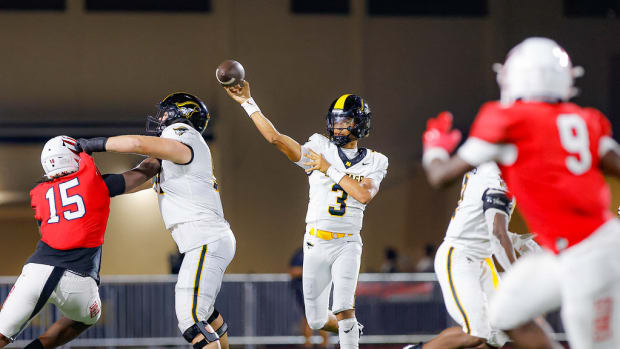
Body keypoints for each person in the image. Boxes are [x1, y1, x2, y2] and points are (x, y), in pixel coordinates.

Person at [421, 37, 620, 349]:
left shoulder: (508, 119)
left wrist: (433, 148)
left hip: (589, 254)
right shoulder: (586, 119)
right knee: (505, 314)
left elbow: (439, 176)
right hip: (576, 250)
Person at [223, 82, 389, 349]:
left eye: (345, 121)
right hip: (315, 243)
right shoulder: (319, 146)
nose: (338, 127)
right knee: (315, 321)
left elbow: (363, 195)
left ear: (360, 123)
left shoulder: (376, 160)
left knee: (344, 308)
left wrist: (328, 169)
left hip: (347, 242)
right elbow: (276, 139)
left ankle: (349, 331)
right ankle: (351, 331)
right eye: (335, 121)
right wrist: (247, 102)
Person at [78, 92, 235, 349]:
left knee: (191, 321)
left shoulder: (185, 135)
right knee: (204, 315)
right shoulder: (173, 158)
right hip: (205, 239)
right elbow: (134, 178)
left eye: (165, 111)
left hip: (205, 238)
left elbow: (139, 144)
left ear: (181, 115)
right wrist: (88, 185)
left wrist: (94, 143)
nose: (160, 117)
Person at [0, 135, 159, 349]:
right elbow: (145, 171)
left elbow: (47, 229)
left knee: (2, 335)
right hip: (78, 279)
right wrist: (166, 152)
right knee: (88, 317)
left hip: (37, 271)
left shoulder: (39, 193)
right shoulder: (96, 184)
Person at [434, 162, 515, 348]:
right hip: (460, 255)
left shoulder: (495, 169)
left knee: (501, 333)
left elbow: (494, 227)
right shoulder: (496, 174)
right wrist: (517, 274)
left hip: (482, 259)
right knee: (477, 333)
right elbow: (498, 233)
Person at [289, 247, 329, 348]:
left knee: (323, 317)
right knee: (307, 317)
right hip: (304, 291)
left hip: (320, 289)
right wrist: (309, 270)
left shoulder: (321, 253)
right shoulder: (300, 255)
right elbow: (293, 271)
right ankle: (308, 345)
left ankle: (324, 346)